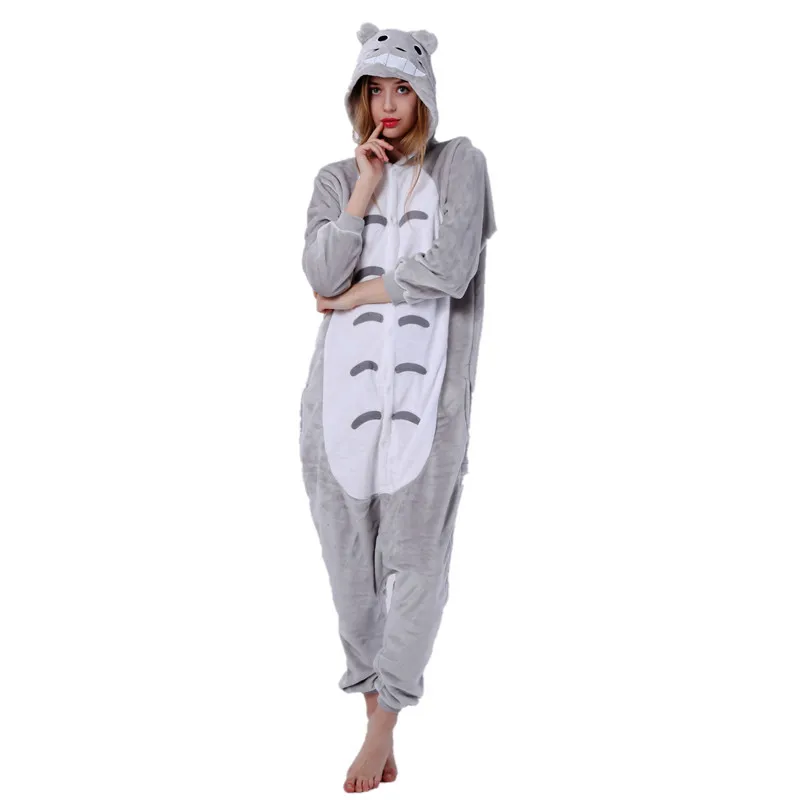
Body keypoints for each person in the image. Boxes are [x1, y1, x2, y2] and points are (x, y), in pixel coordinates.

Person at [298, 22, 497, 793]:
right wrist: (363, 189)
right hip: (336, 408)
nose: (388, 103)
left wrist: (361, 294)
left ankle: (382, 726)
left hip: (428, 405)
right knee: (352, 581)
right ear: (358, 96)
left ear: (424, 95)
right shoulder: (333, 179)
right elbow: (321, 272)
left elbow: (450, 268)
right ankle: (372, 714)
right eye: (375, 89)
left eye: (402, 88)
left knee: (415, 572)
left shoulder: (460, 164)